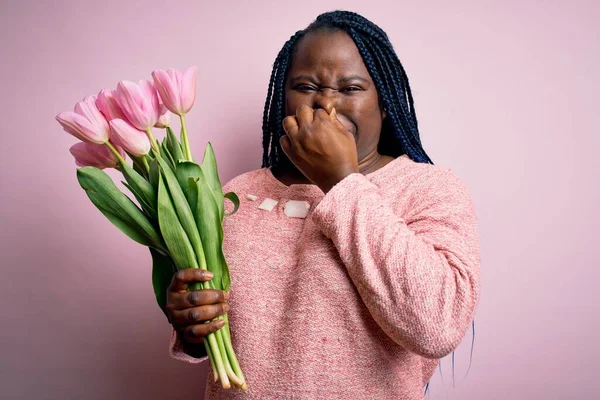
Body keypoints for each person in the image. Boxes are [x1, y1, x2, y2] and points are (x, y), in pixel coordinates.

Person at [165, 10, 481, 400]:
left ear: (385, 102)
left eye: (350, 88)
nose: (326, 105)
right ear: (283, 95)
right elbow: (223, 335)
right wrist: (192, 326)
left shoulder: (428, 189)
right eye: (306, 85)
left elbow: (437, 326)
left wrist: (341, 181)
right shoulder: (236, 194)